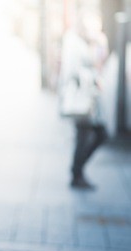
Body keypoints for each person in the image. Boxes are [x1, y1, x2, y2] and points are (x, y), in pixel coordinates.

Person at [59, 13, 108, 190]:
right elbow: (74, 73)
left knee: (95, 135)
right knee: (88, 136)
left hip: (87, 101)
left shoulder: (86, 43)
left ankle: (77, 171)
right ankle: (77, 173)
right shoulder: (73, 43)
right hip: (79, 101)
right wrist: (94, 77)